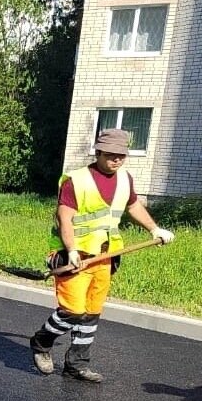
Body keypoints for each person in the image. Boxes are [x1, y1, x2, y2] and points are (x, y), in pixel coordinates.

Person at [30, 128, 175, 382]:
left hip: (104, 257)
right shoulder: (76, 180)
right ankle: (41, 343)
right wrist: (72, 249)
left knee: (91, 313)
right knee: (72, 310)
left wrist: (154, 228)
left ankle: (77, 365)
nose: (116, 160)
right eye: (110, 155)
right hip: (74, 256)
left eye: (121, 155)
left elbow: (133, 205)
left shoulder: (124, 179)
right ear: (98, 152)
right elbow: (65, 218)